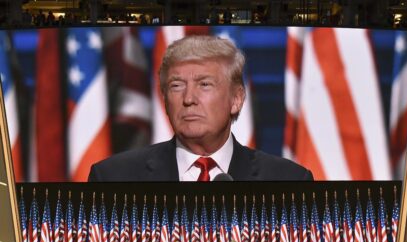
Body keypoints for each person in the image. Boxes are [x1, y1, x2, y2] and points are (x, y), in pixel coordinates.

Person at [88, 35, 313, 182]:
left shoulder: (288, 180)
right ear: (165, 99)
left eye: (204, 84)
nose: (188, 99)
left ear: (236, 99)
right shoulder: (113, 177)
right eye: (176, 86)